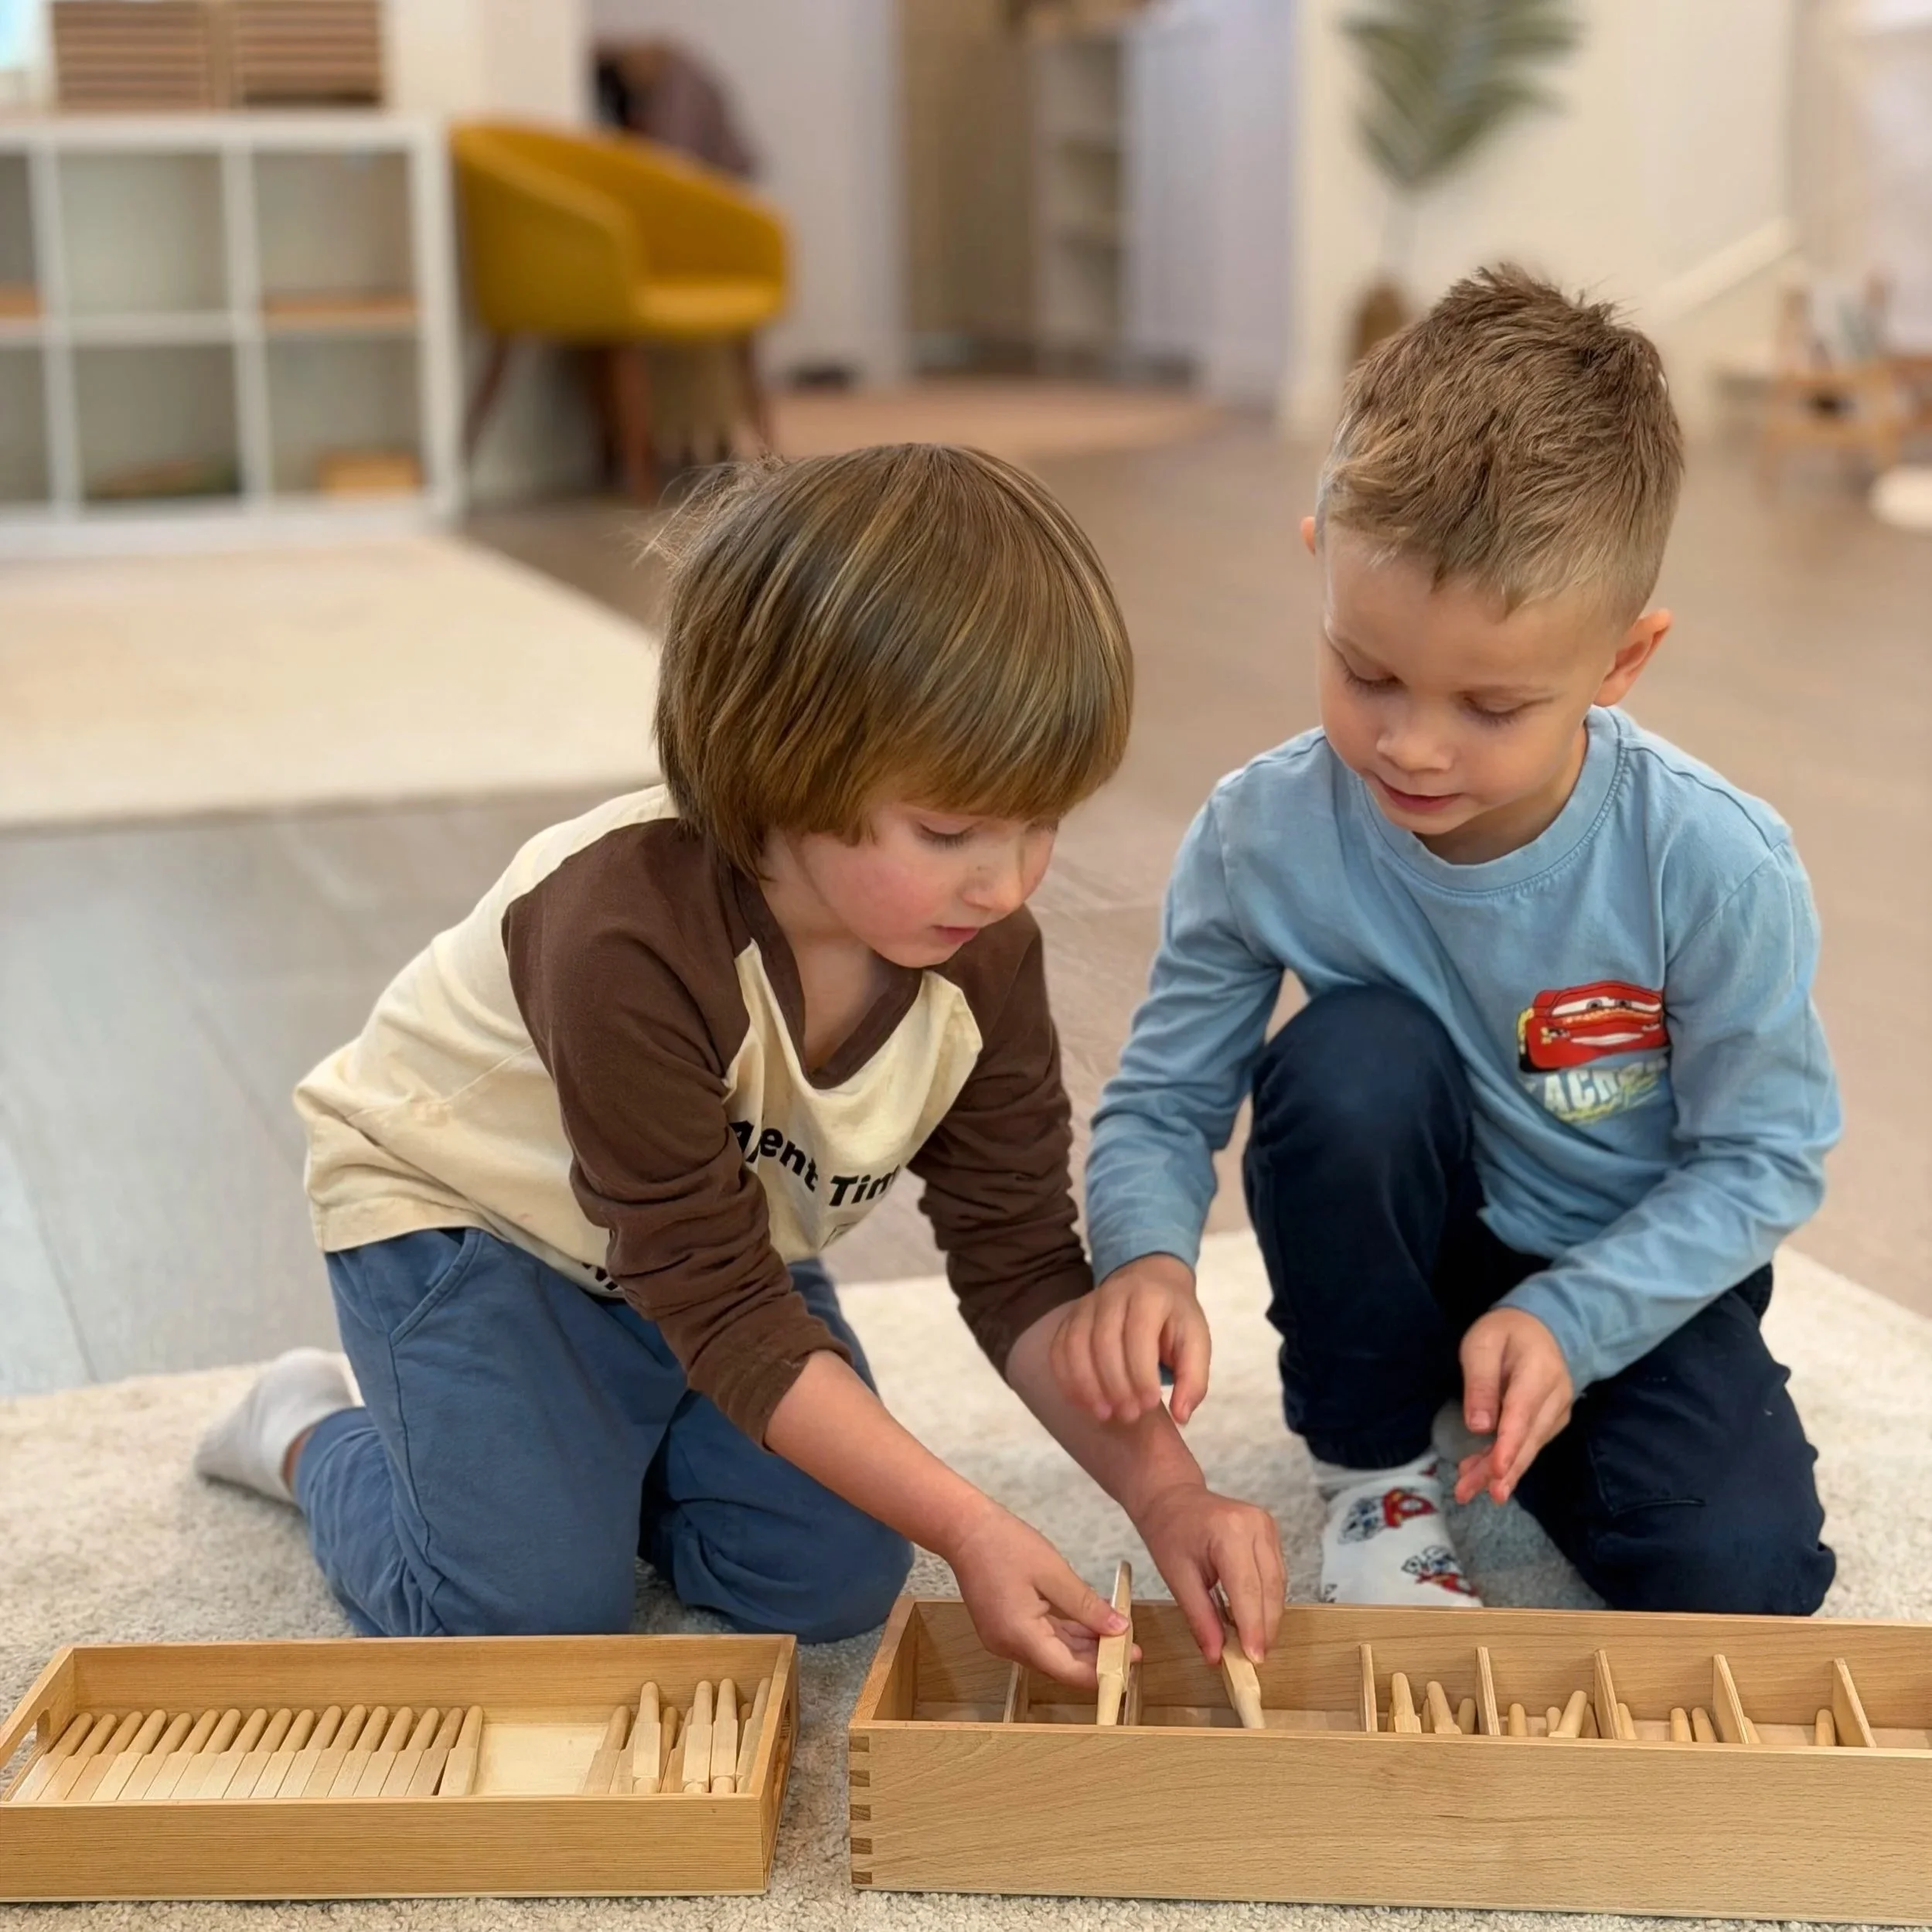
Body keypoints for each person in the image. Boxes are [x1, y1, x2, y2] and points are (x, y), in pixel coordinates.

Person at [196, 444, 1284, 1679]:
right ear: (781, 754)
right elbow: (715, 1299)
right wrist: (970, 1520)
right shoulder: (620, 931)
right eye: (949, 830)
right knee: (525, 1619)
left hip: (711, 1257)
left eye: (1043, 821)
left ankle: (598, 1455)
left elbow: (1018, 1262)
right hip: (471, 1232)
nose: (1007, 878)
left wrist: (1169, 1496)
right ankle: (310, 1425)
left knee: (829, 1577)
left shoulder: (978, 949)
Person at [1061, 267, 1840, 1614]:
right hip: (1403, 1219)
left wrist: (1570, 1322)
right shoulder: (1263, 830)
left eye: (1489, 703)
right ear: (1320, 558)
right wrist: (1141, 1254)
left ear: (1621, 660)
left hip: (1624, 1252)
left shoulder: (1709, 858)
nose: (1409, 744)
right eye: (1365, 673)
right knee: (1352, 1059)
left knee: (1740, 1574)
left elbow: (1764, 1156)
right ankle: (1372, 1459)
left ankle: (1504, 1391)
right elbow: (1164, 1098)